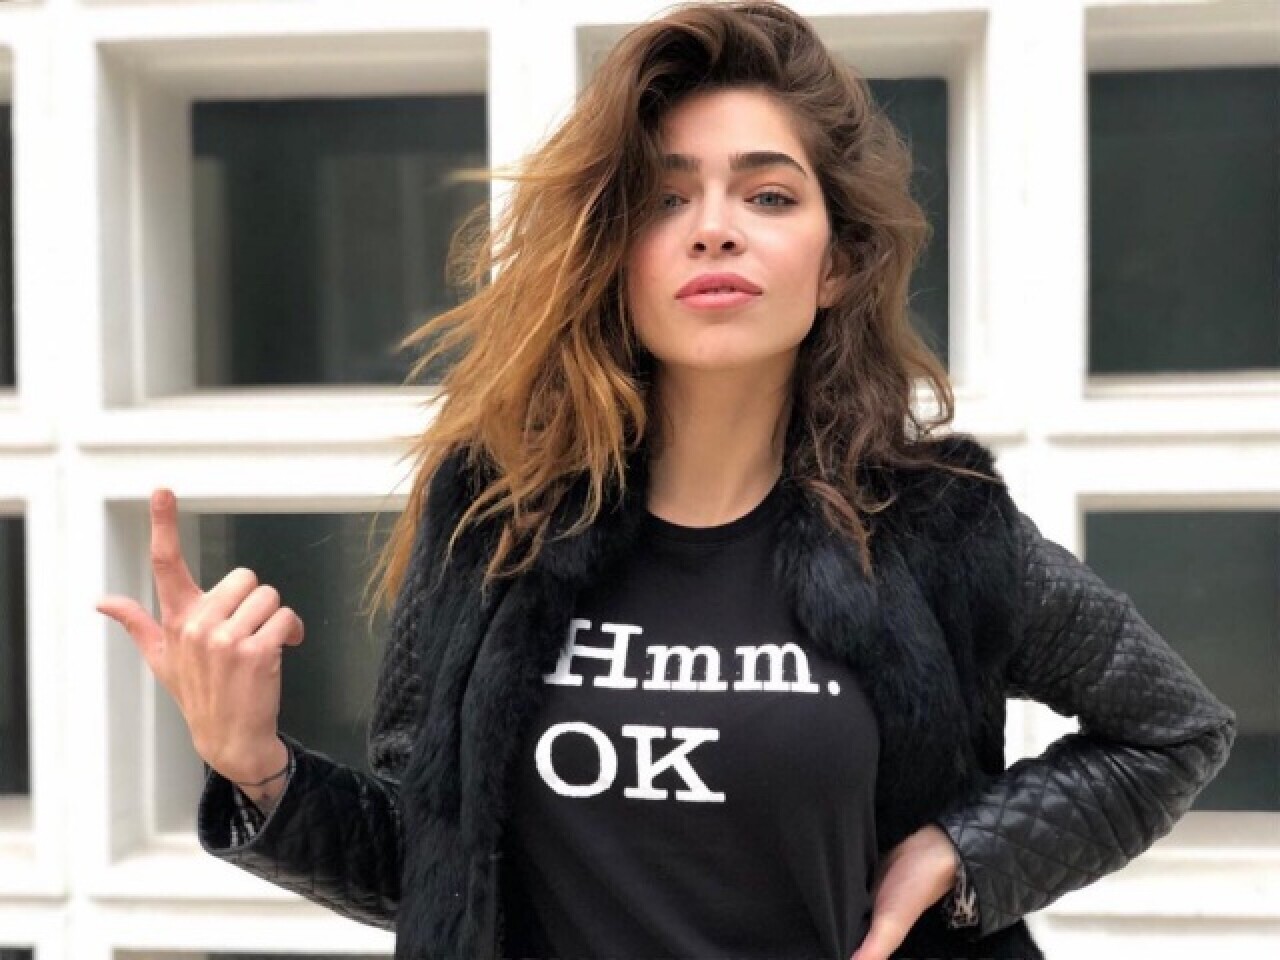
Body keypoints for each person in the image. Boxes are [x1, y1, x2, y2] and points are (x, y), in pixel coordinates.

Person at [95, 3, 1237, 958]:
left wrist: (964, 851)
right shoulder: (495, 517)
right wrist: (254, 767)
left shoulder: (936, 525)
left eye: (768, 195)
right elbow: (433, 865)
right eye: (665, 198)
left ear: (837, 263)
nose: (714, 230)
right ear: (614, 253)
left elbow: (1170, 732)